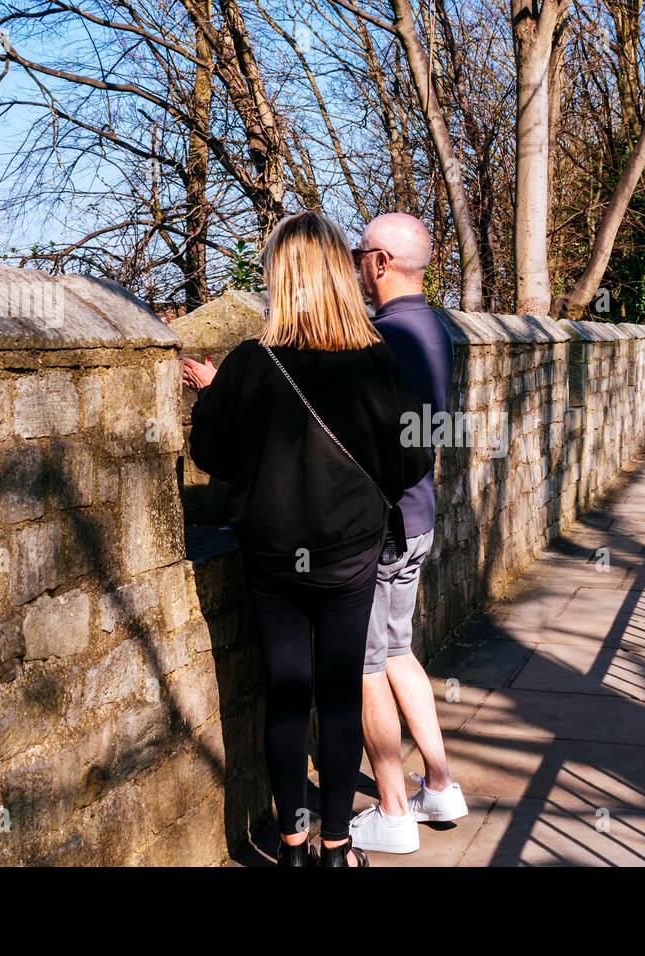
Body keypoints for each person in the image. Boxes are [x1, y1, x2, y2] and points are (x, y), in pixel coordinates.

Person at [184, 211, 433, 868]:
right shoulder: (376, 359)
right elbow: (415, 454)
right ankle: (336, 845)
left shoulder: (250, 365)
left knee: (286, 695)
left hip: (272, 558)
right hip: (350, 555)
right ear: (334, 273)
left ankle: (291, 847)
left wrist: (220, 403)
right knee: (340, 694)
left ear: (281, 278)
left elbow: (212, 452)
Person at [346, 213, 468, 854]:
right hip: (417, 515)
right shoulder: (436, 330)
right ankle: (440, 785)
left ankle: (393, 810)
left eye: (358, 253)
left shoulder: (382, 339)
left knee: (367, 665)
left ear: (381, 262)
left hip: (384, 523)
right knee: (398, 650)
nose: (355, 264)